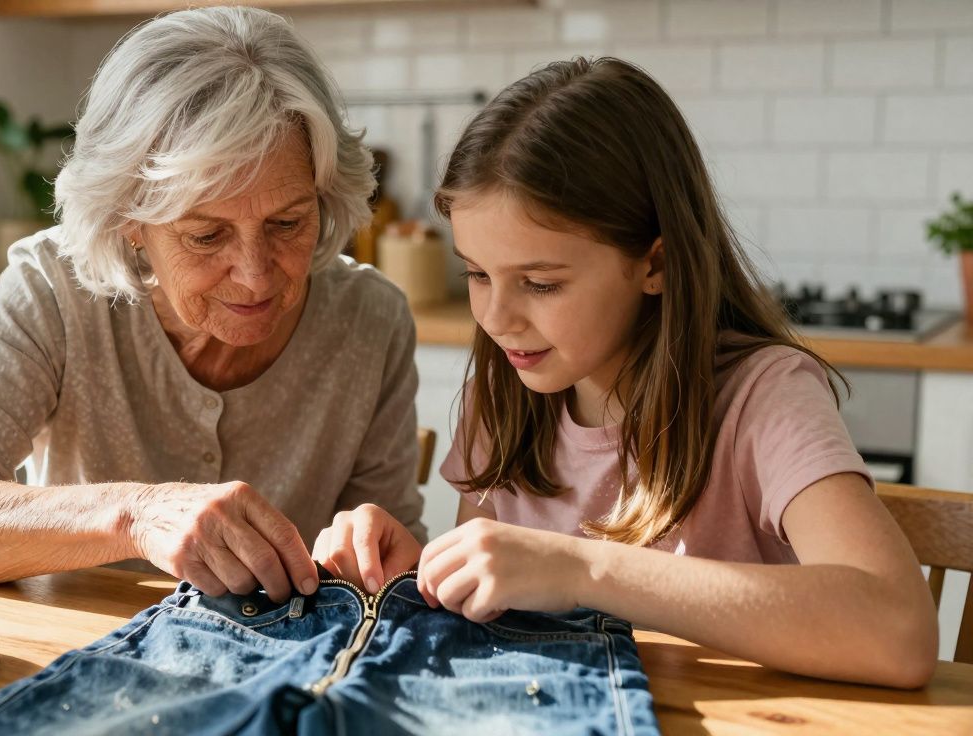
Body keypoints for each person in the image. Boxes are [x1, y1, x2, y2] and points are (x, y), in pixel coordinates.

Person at [313, 57, 937, 688]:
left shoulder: (764, 397)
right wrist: (416, 573)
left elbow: (898, 632)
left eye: (540, 282)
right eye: (476, 273)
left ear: (656, 263)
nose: (497, 317)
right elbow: (495, 619)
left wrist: (584, 571)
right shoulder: (501, 397)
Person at [0, 6, 425, 604]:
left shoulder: (371, 319)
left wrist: (381, 556)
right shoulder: (54, 291)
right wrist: (136, 513)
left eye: (288, 222)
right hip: (79, 661)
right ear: (129, 222)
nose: (255, 274)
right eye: (207, 235)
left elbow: (395, 573)